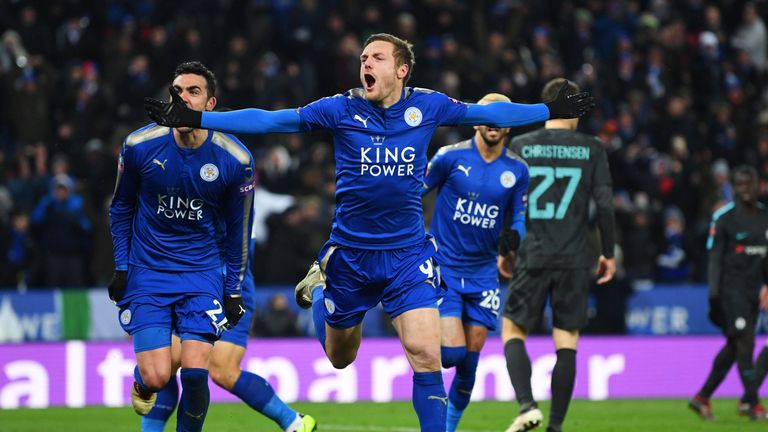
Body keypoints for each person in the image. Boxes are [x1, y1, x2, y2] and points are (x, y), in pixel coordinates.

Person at [144, 34, 593, 431]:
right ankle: (320, 291)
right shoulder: (341, 108)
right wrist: (198, 120)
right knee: (341, 357)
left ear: (401, 69)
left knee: (425, 354)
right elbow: (271, 119)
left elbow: (489, 111)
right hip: (351, 257)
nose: (365, 63)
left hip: (407, 255)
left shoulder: (429, 105)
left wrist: (548, 110)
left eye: (376, 57)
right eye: (362, 57)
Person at [109, 61, 251, 432]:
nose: (183, 99)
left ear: (210, 104)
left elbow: (239, 232)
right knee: (157, 378)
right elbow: (121, 207)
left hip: (202, 272)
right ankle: (142, 382)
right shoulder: (140, 146)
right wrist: (122, 267)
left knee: (195, 374)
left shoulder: (236, 160)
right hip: (149, 271)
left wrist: (233, 290)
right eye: (177, 92)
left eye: (193, 92)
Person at [501, 78, 616, 432]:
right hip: (575, 257)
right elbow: (605, 206)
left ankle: (526, 405)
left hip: (532, 253)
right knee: (566, 340)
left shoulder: (520, 144)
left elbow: (508, 202)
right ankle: (555, 427)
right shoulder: (592, 148)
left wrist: (506, 250)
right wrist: (608, 253)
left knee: (512, 330)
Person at [140, 210, 316, 432]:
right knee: (166, 361)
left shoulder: (234, 188)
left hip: (231, 288)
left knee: (224, 372)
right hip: (188, 283)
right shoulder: (187, 188)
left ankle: (294, 422)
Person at [421, 92, 529, 432]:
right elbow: (414, 193)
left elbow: (519, 218)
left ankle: (447, 429)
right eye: (488, 116)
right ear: (476, 120)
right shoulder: (449, 158)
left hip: (484, 274)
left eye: (501, 118)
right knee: (452, 355)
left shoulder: (517, 170)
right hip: (446, 268)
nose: (493, 124)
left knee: (470, 362)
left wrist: (515, 238)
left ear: (508, 126)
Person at [689, 165, 768, 422]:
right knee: (745, 343)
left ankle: (702, 397)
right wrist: (713, 295)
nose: (745, 189)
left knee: (735, 346)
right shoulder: (723, 218)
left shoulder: (764, 217)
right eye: (740, 184)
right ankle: (753, 404)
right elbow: (714, 260)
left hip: (752, 292)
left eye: (749, 184)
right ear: (733, 187)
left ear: (758, 185)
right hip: (729, 291)